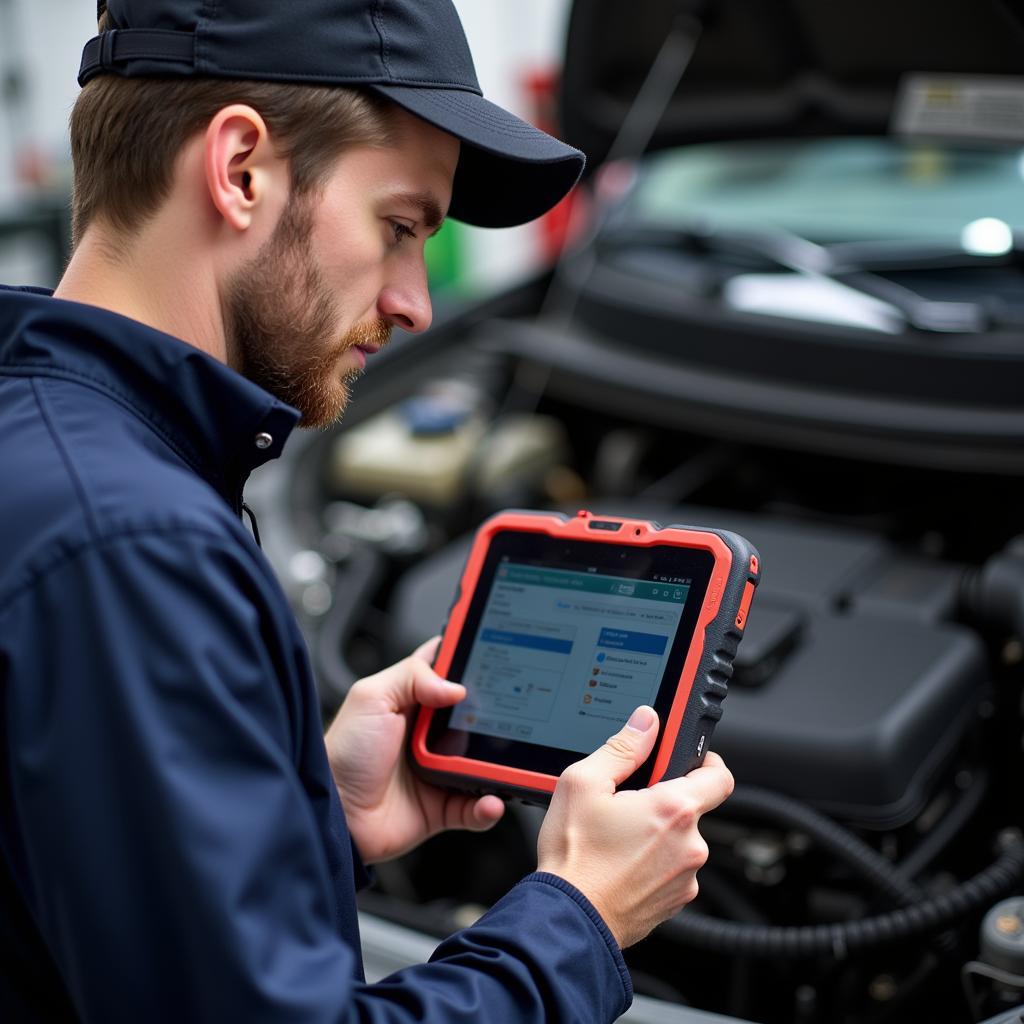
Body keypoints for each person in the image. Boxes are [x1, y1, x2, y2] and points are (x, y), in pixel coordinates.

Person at [0, 1, 734, 1020]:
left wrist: (313, 814)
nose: (415, 302)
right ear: (241, 168)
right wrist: (577, 916)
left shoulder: (40, 445)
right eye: (398, 228)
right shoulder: (133, 546)